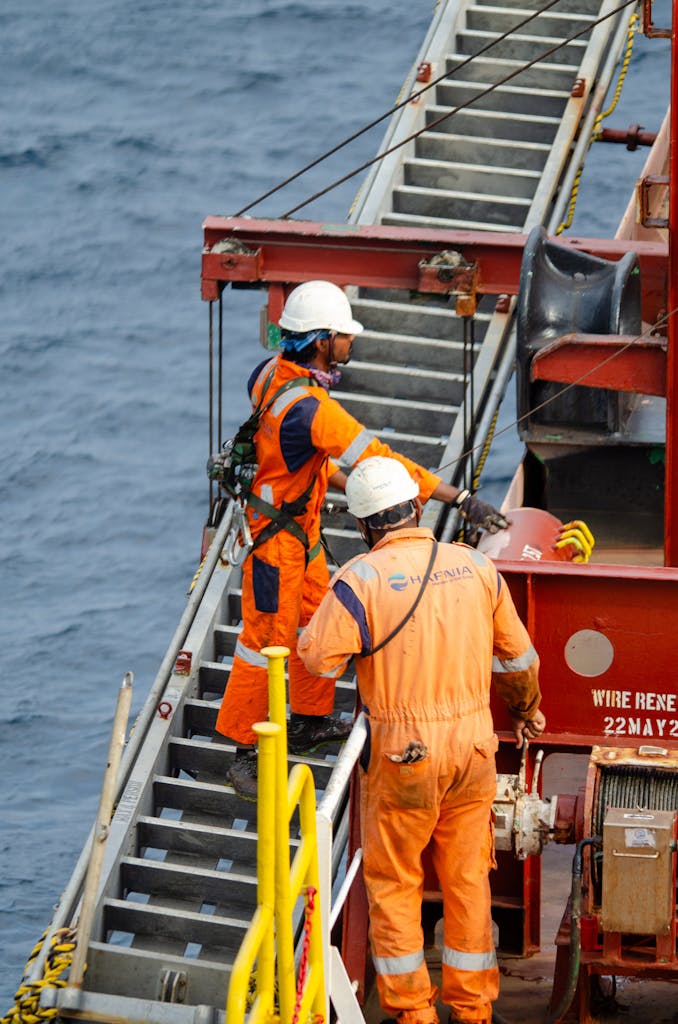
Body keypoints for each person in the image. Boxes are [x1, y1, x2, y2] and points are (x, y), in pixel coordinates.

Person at [211, 281, 509, 801]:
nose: (352, 343)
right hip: (277, 543)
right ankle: (243, 754)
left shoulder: (270, 375)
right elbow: (381, 461)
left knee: (314, 620)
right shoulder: (316, 411)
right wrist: (459, 499)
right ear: (323, 341)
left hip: (295, 530)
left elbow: (298, 456)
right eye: (345, 336)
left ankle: (306, 720)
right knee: (263, 645)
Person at [297, 456, 545, 1024]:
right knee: (467, 878)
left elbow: (316, 660)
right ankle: (474, 1008)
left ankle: (412, 1012)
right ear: (415, 507)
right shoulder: (476, 567)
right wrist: (527, 711)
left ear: (363, 525)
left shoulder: (360, 579)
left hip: (403, 752)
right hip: (475, 746)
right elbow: (517, 658)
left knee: (394, 883)